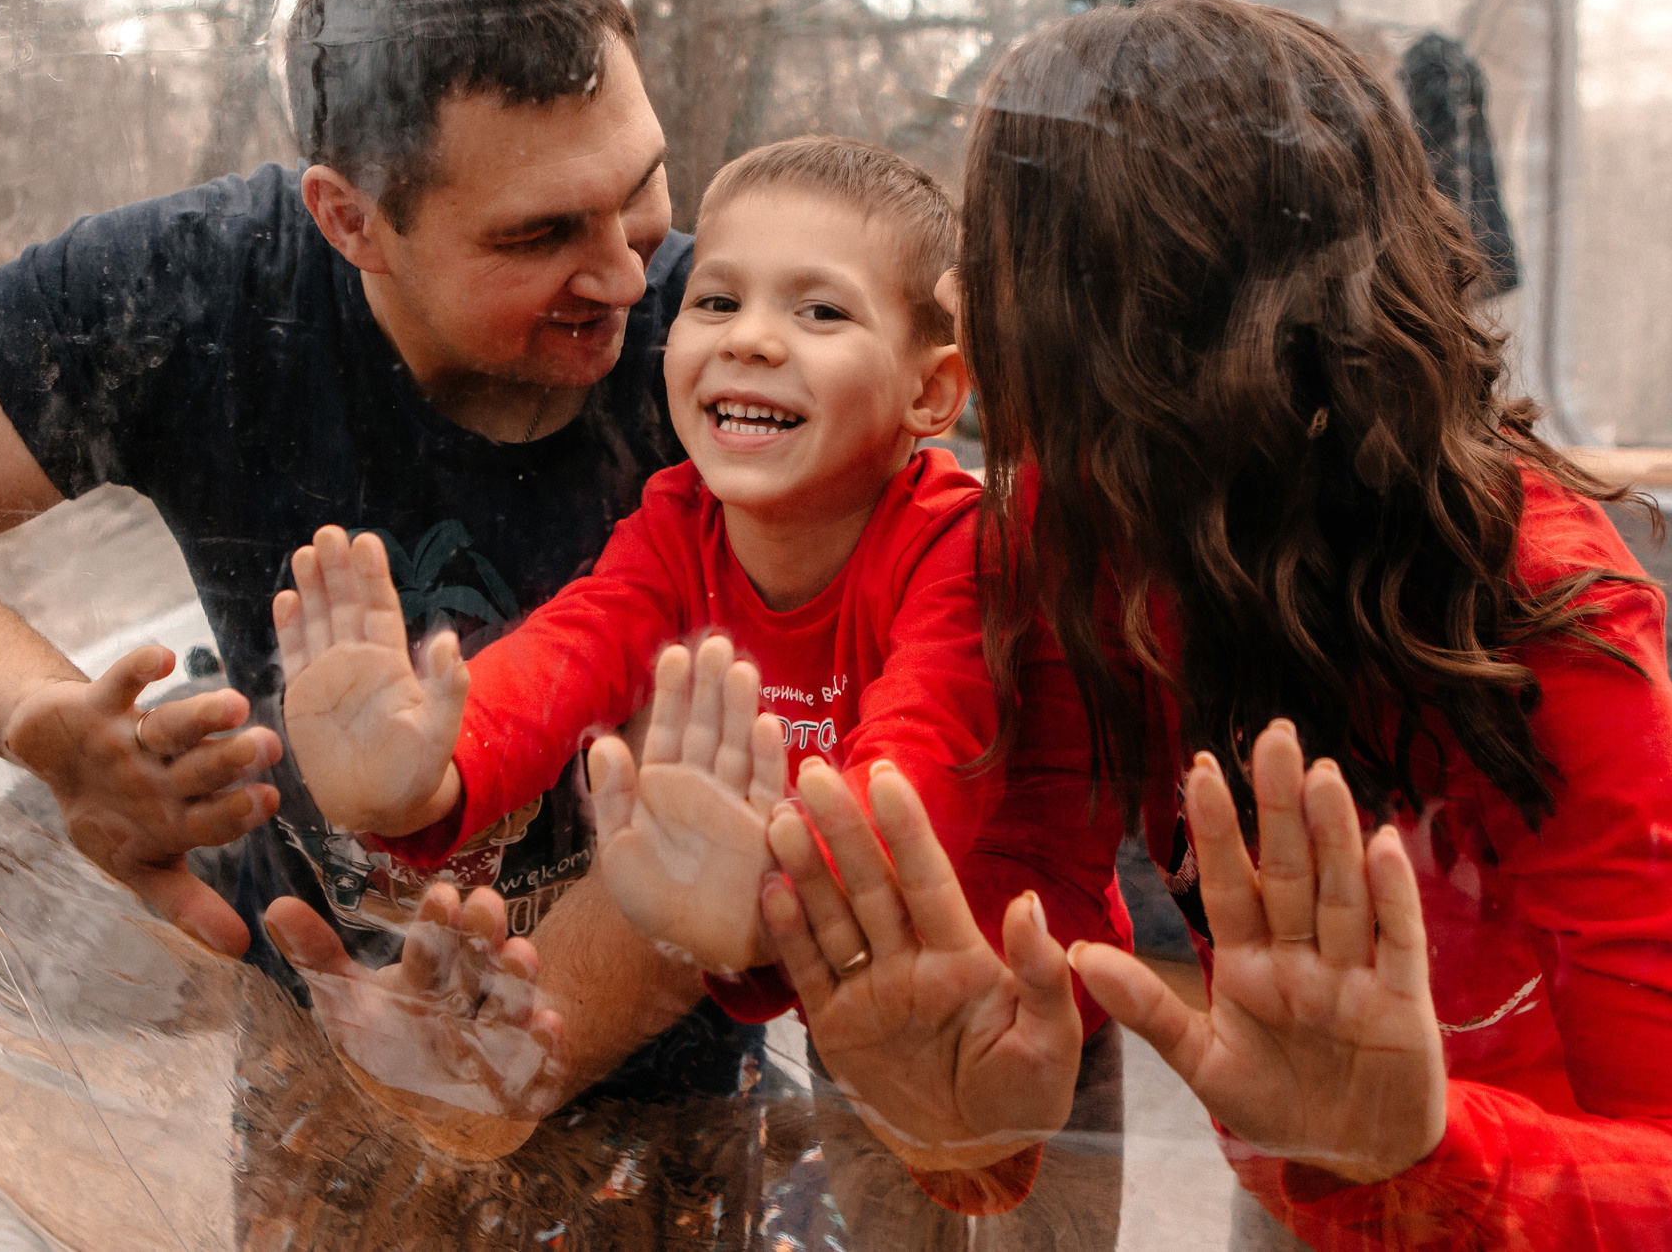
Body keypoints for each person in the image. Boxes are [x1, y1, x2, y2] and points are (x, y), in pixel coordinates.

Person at [758, 0, 1672, 1250]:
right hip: (1303, 1144)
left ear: (1132, 318)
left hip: (1535, 1187)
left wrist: (1427, 1151)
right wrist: (967, 1130)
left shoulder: (1522, 604)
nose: (959, 287)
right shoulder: (1066, 537)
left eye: (1003, 247)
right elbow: (1022, 971)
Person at [0, 0, 744, 1152]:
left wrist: (488, 1065)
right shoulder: (207, 292)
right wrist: (37, 719)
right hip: (324, 1062)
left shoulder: (722, 348)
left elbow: (805, 774)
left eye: (642, 183)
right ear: (350, 221)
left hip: (674, 1095)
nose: (623, 269)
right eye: (541, 233)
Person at [267, 136, 1131, 1041]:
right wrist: (433, 767)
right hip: (851, 985)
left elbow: (926, 748)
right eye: (716, 300)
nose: (750, 338)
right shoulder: (678, 522)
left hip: (1029, 994)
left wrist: (777, 889)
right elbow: (572, 649)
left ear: (933, 392)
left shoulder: (959, 544)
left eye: (822, 312)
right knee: (865, 1159)